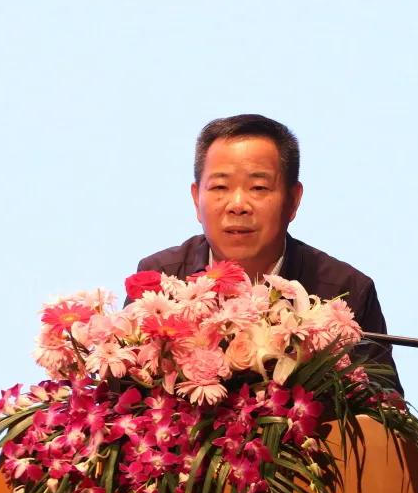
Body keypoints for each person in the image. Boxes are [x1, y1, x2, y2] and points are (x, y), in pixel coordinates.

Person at [135, 114, 400, 391]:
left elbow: (383, 408)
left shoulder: (345, 291)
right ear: (195, 198)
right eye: (220, 187)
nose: (238, 205)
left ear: (293, 200)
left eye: (259, 188)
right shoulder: (160, 281)